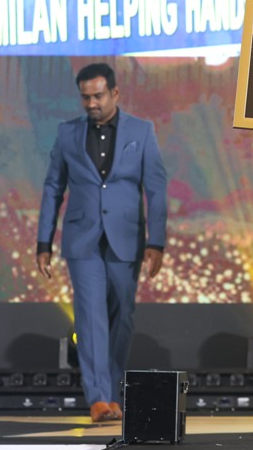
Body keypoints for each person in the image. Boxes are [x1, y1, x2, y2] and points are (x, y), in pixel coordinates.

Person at [36, 63, 168, 423]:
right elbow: (53, 187)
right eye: (85, 97)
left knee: (122, 316)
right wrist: (43, 241)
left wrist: (157, 241)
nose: (91, 103)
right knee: (90, 314)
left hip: (126, 236)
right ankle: (98, 398)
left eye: (97, 96)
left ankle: (112, 392)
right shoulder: (67, 132)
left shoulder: (141, 131)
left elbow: (156, 188)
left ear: (114, 93)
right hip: (83, 237)